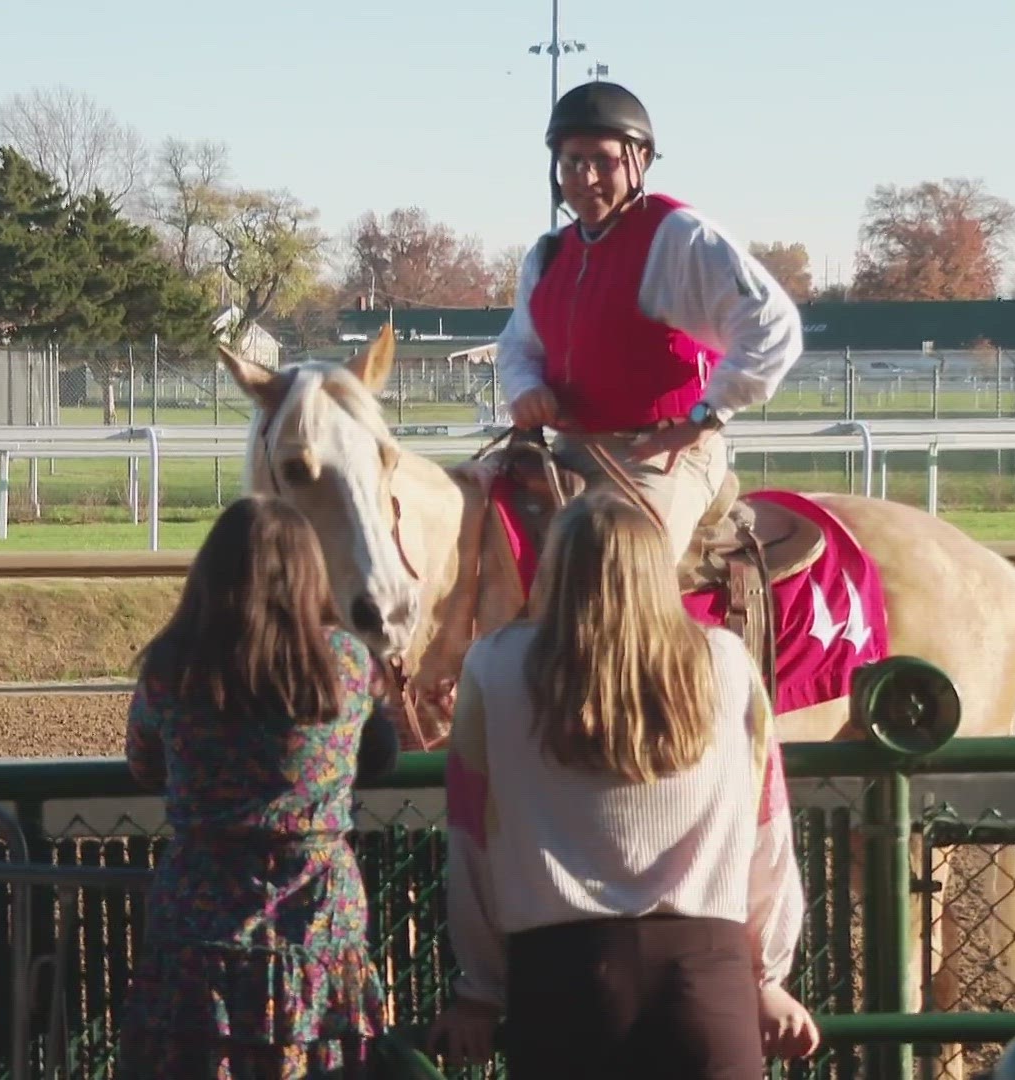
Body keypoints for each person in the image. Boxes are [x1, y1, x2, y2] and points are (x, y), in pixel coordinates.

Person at [427, 491, 816, 1078]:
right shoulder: (728, 661)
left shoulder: (493, 666)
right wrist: (767, 978)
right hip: (708, 982)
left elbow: (472, 840)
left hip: (561, 982)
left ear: (554, 568)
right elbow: (768, 831)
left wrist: (480, 989)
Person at [119, 494, 402, 1079]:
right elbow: (378, 757)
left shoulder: (172, 668)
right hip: (319, 924)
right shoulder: (348, 663)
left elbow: (145, 764)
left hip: (199, 929)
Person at [494, 80, 805, 564]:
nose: (586, 176)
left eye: (602, 160)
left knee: (616, 568)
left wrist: (704, 418)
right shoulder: (548, 254)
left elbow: (773, 325)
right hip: (568, 449)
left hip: (661, 456)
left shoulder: (680, 237)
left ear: (639, 159)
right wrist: (524, 389)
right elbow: (519, 347)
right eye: (572, 161)